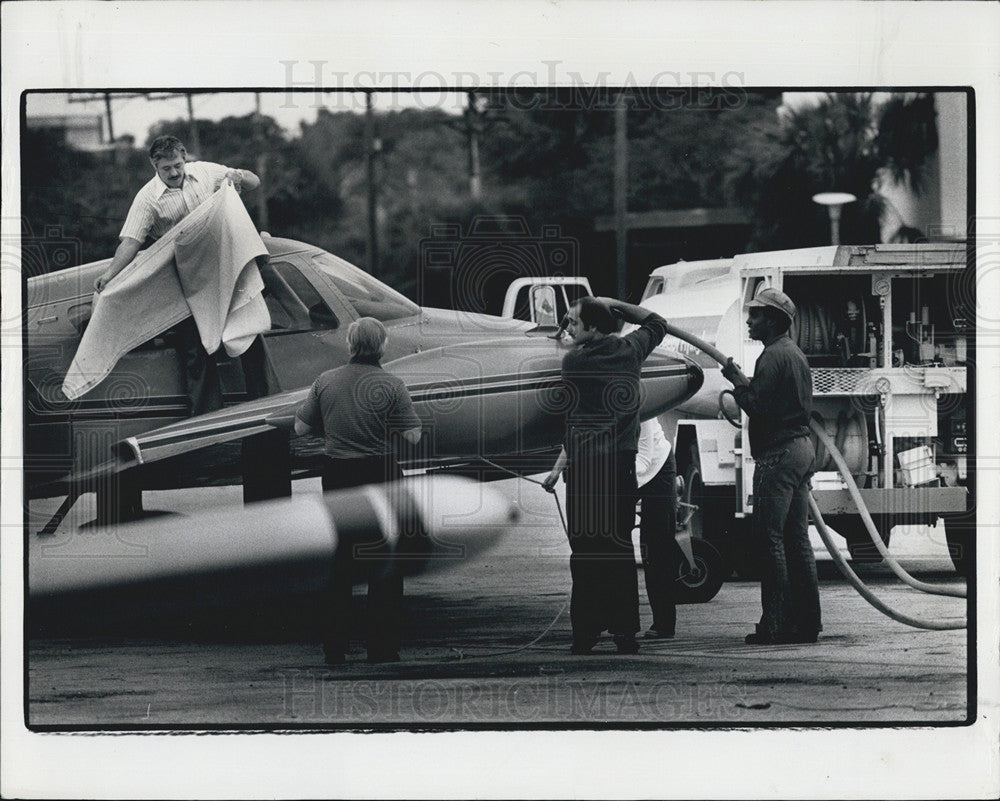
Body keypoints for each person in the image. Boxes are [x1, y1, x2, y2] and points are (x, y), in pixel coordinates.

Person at [94, 135, 266, 415]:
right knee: (195, 349)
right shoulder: (147, 199)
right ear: (154, 165)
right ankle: (206, 422)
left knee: (247, 327)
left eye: (177, 165)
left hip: (223, 265)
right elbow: (131, 241)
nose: (174, 173)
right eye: (166, 169)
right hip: (184, 278)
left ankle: (263, 404)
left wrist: (240, 176)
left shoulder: (206, 171)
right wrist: (111, 273)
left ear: (185, 157)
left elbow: (254, 181)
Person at [543, 296, 669, 655]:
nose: (568, 328)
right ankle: (625, 633)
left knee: (585, 551)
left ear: (593, 328)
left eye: (573, 322)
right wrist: (617, 306)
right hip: (620, 465)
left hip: (585, 468)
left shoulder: (574, 362)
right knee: (617, 548)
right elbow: (656, 322)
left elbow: (567, 413)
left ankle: (585, 633)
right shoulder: (630, 351)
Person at [294, 317, 422, 665]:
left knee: (340, 561)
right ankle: (382, 648)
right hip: (381, 472)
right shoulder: (393, 385)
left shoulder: (325, 382)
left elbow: (301, 428)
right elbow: (412, 436)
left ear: (350, 345)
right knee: (386, 561)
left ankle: (334, 647)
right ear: (381, 346)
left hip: (339, 475)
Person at [721, 287, 822, 645]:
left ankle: (776, 625)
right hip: (800, 449)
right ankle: (807, 624)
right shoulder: (792, 354)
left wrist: (736, 384)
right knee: (797, 539)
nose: (750, 320)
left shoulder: (772, 356)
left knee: (770, 539)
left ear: (775, 321)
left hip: (778, 454)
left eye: (757, 315)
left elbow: (758, 406)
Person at [635, 417, 678, 640]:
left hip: (658, 468)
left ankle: (664, 623)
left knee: (657, 549)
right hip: (636, 469)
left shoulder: (643, 409)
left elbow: (643, 459)